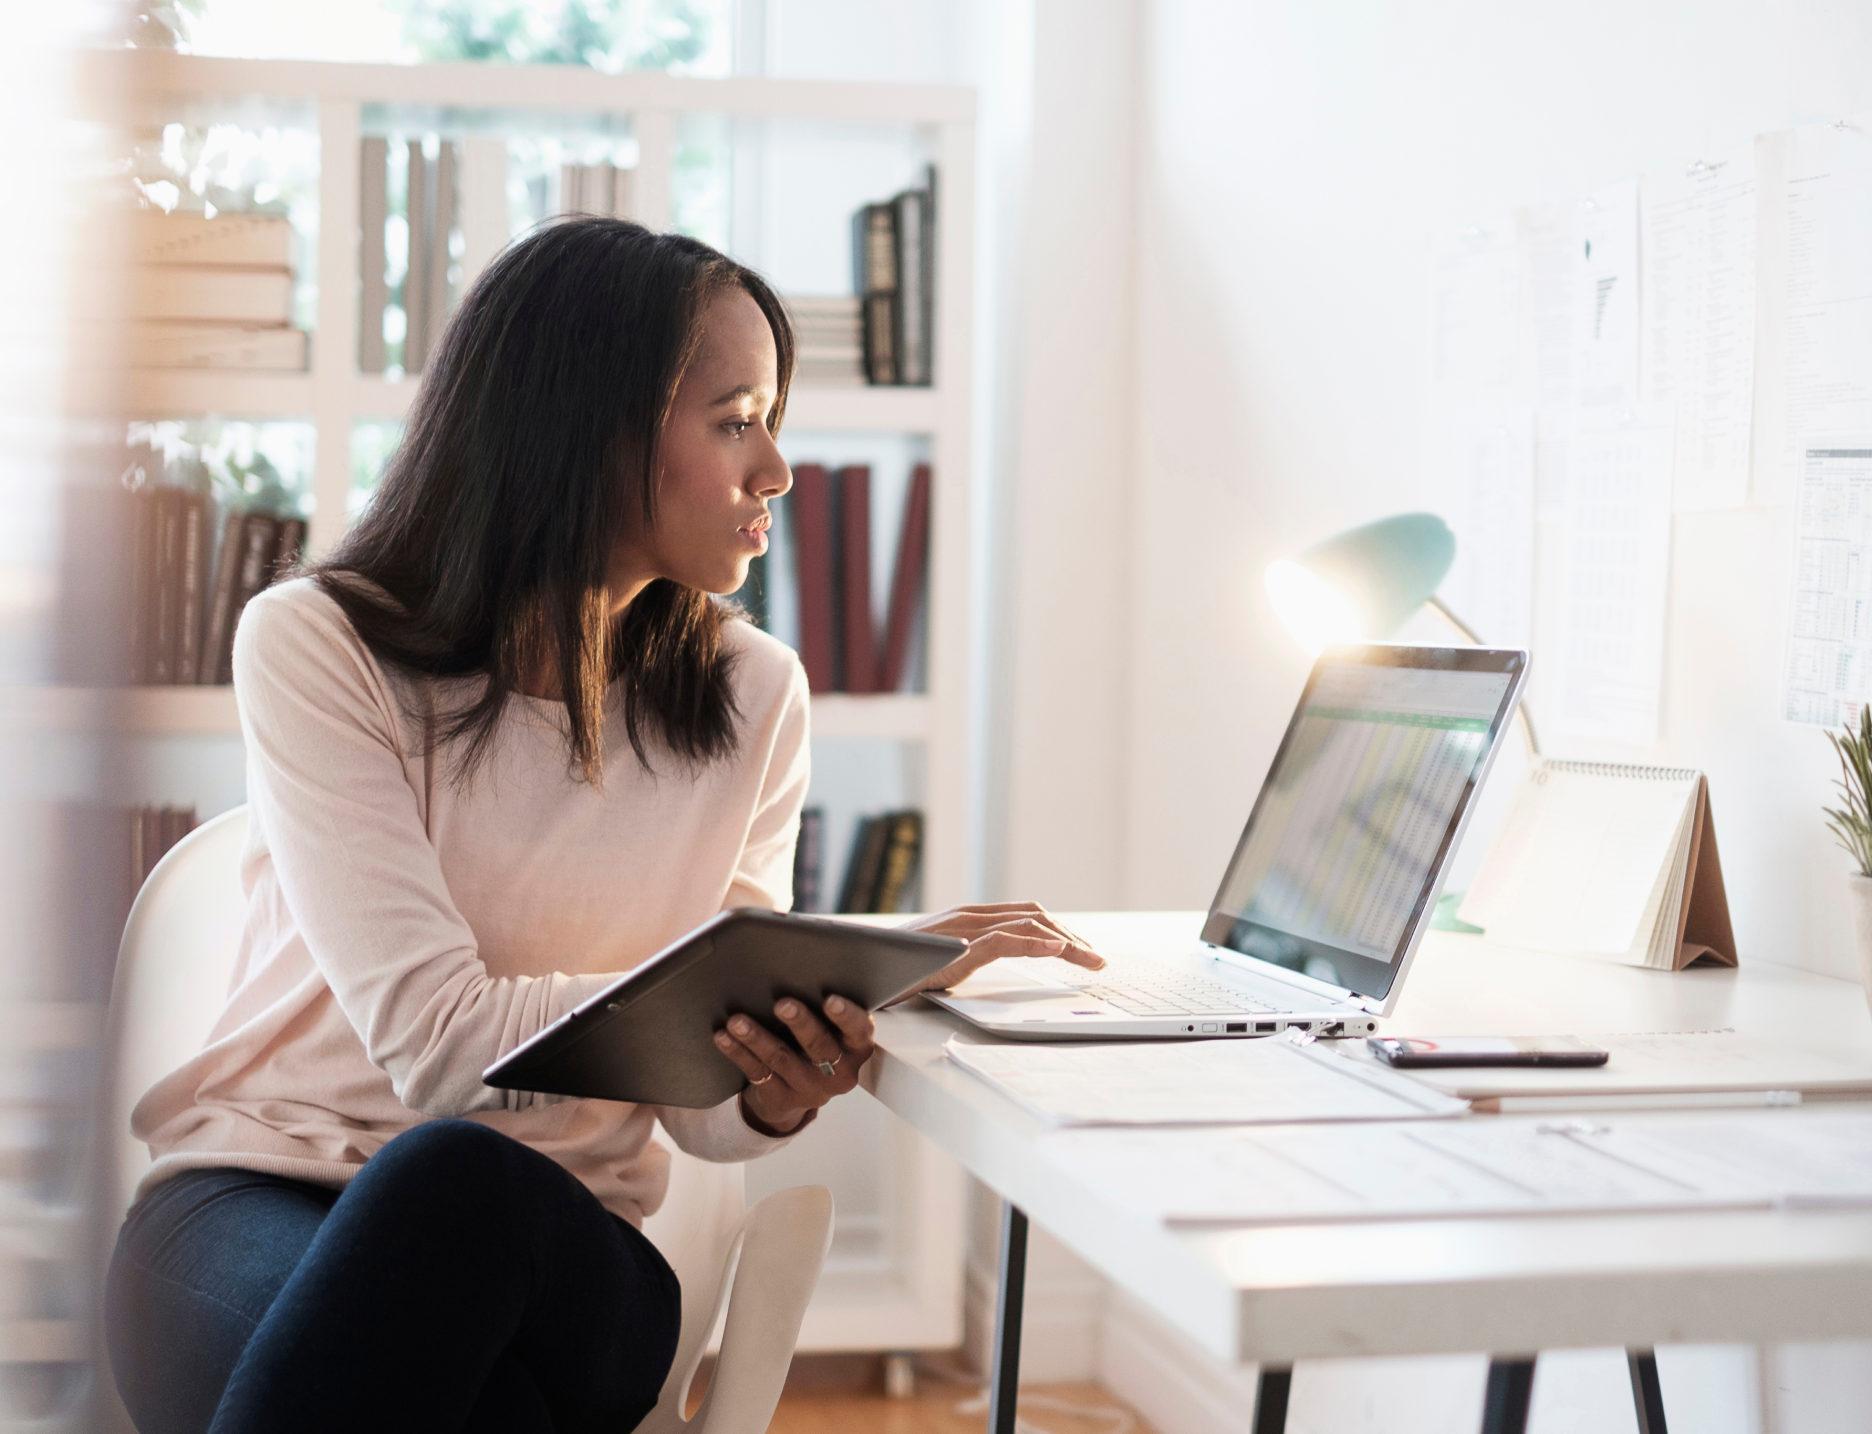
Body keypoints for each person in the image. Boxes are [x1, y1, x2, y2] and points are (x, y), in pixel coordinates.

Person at [103, 217, 1102, 1434]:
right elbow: (436, 1046)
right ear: (587, 427)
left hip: (561, 1246)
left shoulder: (752, 696)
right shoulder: (320, 644)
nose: (778, 470)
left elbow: (698, 1114)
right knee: (474, 1371)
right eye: (737, 420)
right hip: (256, 1197)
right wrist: (704, 998)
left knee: (462, 1190)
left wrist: (775, 1080)